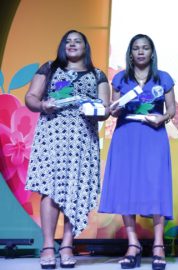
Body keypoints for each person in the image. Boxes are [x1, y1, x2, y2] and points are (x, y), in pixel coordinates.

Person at [24, 30, 110, 269]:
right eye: (68, 41)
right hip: (52, 136)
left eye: (77, 41)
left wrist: (97, 109)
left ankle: (68, 246)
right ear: (63, 47)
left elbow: (105, 109)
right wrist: (43, 104)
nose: (72, 45)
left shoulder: (97, 74)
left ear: (86, 46)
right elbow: (30, 97)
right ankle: (48, 246)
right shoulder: (49, 68)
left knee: (76, 189)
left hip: (82, 139)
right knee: (50, 190)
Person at [98, 34, 175, 270]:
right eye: (136, 48)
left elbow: (171, 109)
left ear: (152, 52)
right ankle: (133, 245)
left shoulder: (163, 77)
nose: (141, 52)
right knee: (127, 186)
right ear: (130, 53)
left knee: (156, 186)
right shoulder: (120, 78)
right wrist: (115, 107)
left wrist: (161, 117)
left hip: (153, 136)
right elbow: (113, 110)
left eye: (145, 48)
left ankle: (159, 244)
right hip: (126, 136)